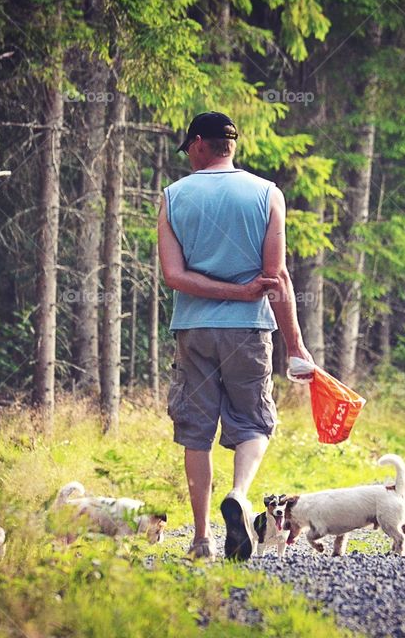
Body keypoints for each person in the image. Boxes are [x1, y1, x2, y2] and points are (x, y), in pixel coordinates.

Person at [157, 111, 312, 561]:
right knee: (255, 423)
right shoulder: (267, 194)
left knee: (195, 432)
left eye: (189, 148)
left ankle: (202, 538)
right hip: (248, 330)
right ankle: (240, 495)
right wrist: (295, 345)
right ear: (233, 146)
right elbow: (276, 275)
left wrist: (228, 291)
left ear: (202, 145)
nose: (188, 156)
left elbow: (174, 275)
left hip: (193, 331)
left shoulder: (172, 197)